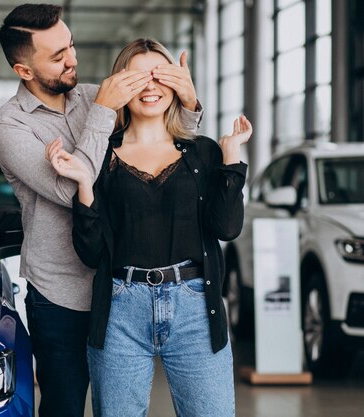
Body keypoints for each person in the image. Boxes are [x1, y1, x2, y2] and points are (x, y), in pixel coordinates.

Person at [0, 4, 203, 417]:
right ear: (24, 71)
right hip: (62, 296)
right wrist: (104, 113)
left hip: (125, 288)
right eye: (57, 56)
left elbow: (164, 150)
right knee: (64, 407)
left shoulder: (93, 96)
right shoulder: (10, 126)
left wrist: (190, 105)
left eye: (70, 45)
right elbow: (69, 189)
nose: (73, 59)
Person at [47, 38, 252, 417]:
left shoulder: (202, 152)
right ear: (120, 85)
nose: (151, 86)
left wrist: (232, 155)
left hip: (195, 308)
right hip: (121, 308)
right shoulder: (101, 155)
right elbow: (91, 253)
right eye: (138, 77)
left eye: (161, 75)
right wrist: (85, 186)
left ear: (176, 84)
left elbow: (227, 227)